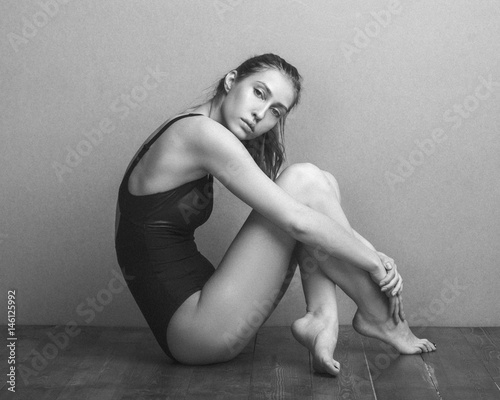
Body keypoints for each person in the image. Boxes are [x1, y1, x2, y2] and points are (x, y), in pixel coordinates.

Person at [115, 53, 435, 376]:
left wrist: (367, 250)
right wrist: (372, 263)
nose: (260, 115)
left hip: (206, 308)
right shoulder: (200, 134)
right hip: (196, 330)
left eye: (275, 112)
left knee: (322, 184)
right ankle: (380, 316)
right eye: (259, 93)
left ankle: (322, 318)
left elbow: (301, 215)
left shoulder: (194, 126)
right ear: (231, 81)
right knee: (304, 183)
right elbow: (296, 219)